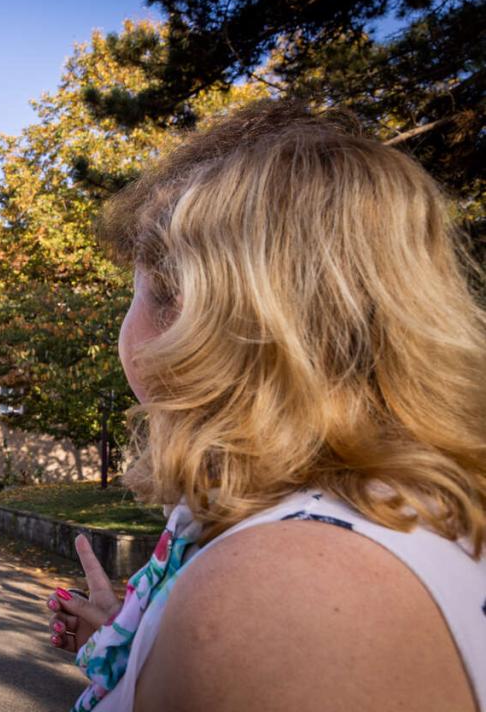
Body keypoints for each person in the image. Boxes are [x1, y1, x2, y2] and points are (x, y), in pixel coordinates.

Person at [44, 101, 485, 711]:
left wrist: (215, 632)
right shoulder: (334, 512)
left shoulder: (287, 594)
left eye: (138, 291)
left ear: (195, 321)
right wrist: (135, 633)